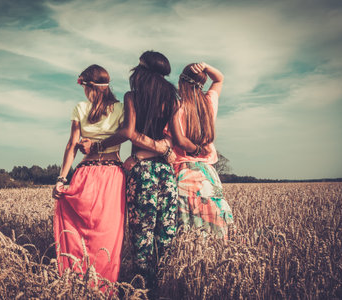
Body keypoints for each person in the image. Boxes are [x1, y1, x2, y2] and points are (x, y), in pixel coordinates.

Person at [80, 51, 179, 292]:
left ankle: (143, 292)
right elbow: (173, 140)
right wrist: (162, 150)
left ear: (141, 72)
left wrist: (101, 145)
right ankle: (164, 290)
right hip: (166, 174)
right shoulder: (174, 100)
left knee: (141, 238)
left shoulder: (133, 96)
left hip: (141, 173)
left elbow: (129, 132)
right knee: (165, 236)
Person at [52, 64, 125, 283]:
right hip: (113, 177)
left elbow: (71, 146)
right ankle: (104, 286)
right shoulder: (121, 109)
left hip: (85, 175)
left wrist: (62, 178)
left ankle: (75, 283)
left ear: (89, 87)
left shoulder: (80, 108)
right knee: (108, 235)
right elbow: (127, 135)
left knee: (78, 233)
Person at [169, 62, 234, 239]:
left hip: (183, 173)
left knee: (187, 225)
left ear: (181, 82)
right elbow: (219, 78)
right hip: (208, 174)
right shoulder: (208, 102)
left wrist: (195, 149)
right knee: (213, 221)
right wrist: (206, 66)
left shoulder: (176, 106)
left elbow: (178, 141)